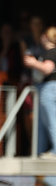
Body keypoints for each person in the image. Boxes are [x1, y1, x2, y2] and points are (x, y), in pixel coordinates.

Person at [23, 26, 56, 159]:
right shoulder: (48, 52)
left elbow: (48, 69)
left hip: (49, 88)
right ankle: (39, 151)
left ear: (47, 37)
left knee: (51, 120)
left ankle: (55, 150)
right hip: (45, 88)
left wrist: (33, 63)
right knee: (41, 122)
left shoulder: (52, 52)